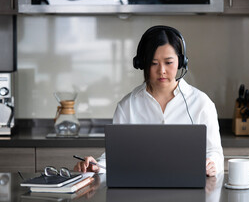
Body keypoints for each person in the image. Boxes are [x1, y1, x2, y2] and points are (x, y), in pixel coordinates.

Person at [74, 25, 224, 177]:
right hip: (140, 191)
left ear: (181, 61)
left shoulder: (201, 103)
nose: (162, 70)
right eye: (154, 63)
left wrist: (212, 163)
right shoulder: (128, 106)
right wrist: (96, 166)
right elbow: (114, 157)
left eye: (168, 62)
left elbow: (215, 153)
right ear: (142, 63)